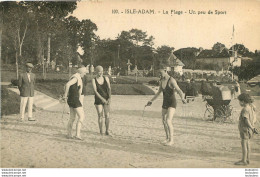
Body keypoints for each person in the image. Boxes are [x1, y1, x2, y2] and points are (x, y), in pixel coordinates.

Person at [146, 68, 186, 146]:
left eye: (161, 73)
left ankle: (172, 140)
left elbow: (179, 90)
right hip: (165, 102)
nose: (160, 75)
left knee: (168, 120)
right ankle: (167, 138)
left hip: (172, 102)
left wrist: (182, 98)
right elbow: (158, 93)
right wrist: (151, 101)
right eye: (159, 73)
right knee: (163, 120)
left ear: (165, 71)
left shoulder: (171, 80)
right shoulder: (161, 81)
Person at [63, 66, 87, 140]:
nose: (85, 74)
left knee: (72, 117)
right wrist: (65, 95)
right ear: (80, 72)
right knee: (81, 116)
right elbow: (67, 85)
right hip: (74, 99)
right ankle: (77, 135)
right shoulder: (76, 77)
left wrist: (66, 95)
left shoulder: (76, 77)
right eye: (84, 72)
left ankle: (69, 134)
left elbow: (66, 86)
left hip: (72, 99)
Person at [235, 93, 258, 166]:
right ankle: (247, 159)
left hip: (245, 129)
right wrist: (253, 128)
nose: (239, 103)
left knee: (244, 144)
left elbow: (246, 120)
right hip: (249, 130)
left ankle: (244, 160)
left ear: (243, 101)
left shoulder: (244, 109)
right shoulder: (250, 107)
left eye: (240, 101)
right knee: (248, 144)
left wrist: (252, 127)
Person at [92, 66, 111, 136]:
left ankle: (107, 130)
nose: (101, 73)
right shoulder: (94, 80)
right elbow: (95, 91)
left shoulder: (106, 78)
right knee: (100, 115)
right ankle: (101, 131)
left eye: (102, 71)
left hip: (106, 99)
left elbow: (109, 89)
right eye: (99, 72)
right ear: (96, 72)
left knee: (107, 115)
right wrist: (102, 99)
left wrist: (109, 98)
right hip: (98, 100)